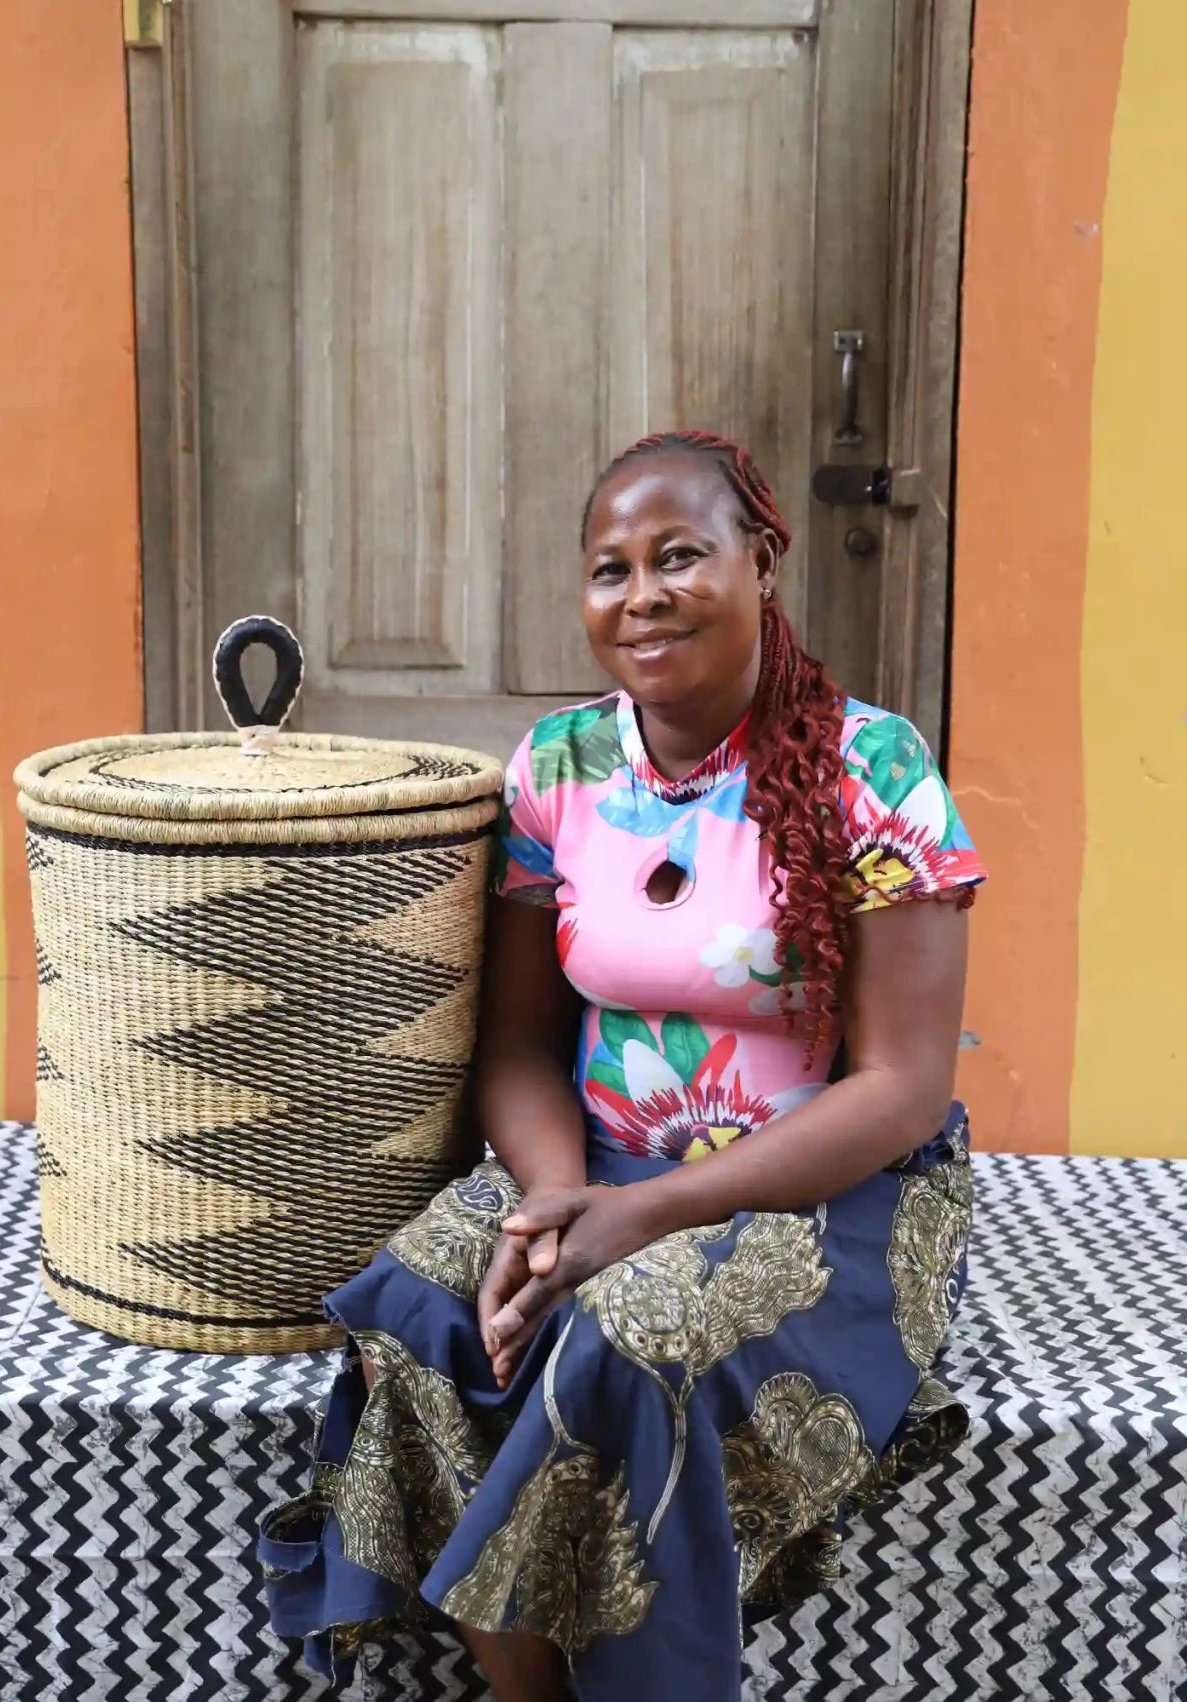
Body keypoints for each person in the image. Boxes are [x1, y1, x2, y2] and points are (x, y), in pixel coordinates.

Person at [261, 431, 986, 1702]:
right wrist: (551, 1202)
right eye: (611, 568)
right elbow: (522, 1043)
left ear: (762, 562)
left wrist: (642, 1216)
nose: (641, 593)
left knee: (623, 1338)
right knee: (432, 1301)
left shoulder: (874, 767)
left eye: (680, 556)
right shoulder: (558, 771)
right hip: (594, 1160)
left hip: (825, 1187)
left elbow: (903, 1087)